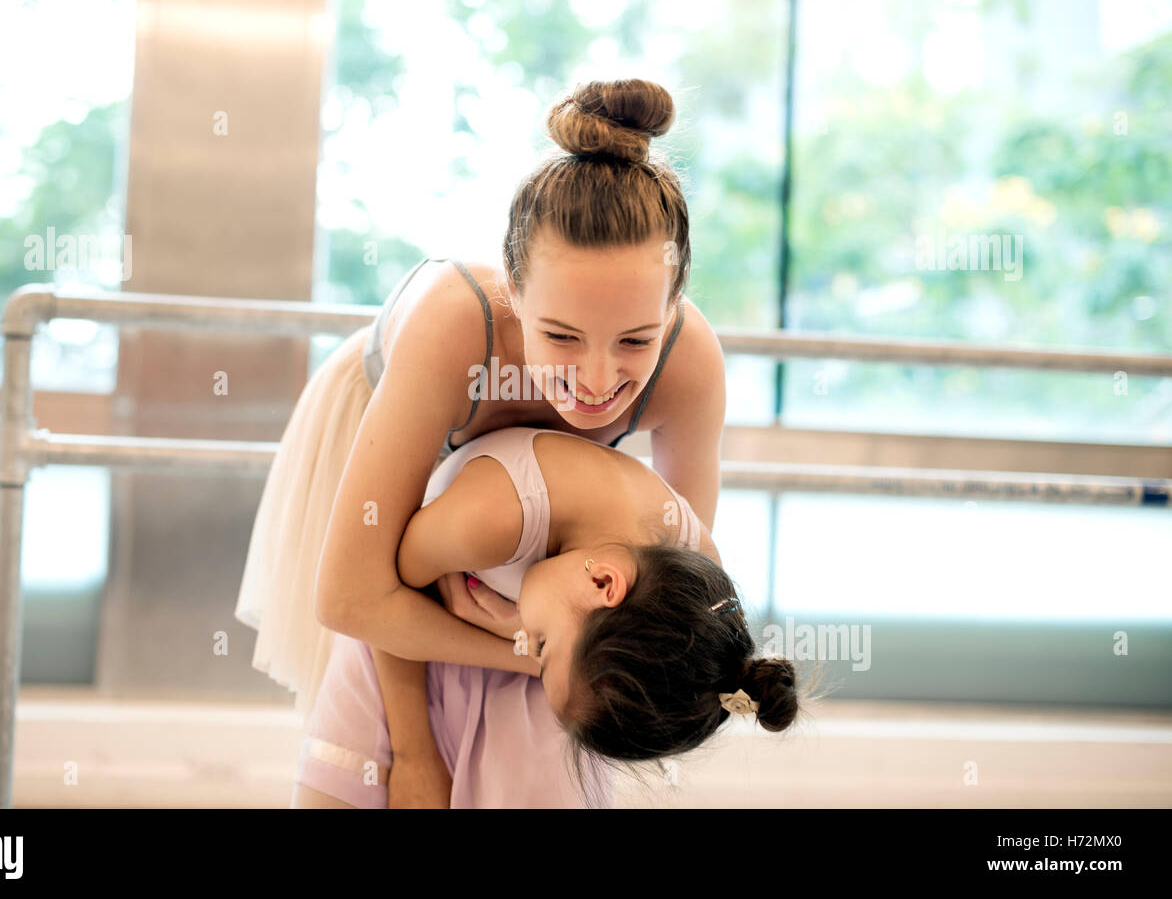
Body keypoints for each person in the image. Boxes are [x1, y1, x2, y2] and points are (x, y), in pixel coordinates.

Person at [234, 78, 728, 805]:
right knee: (389, 761)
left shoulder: (690, 369)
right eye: (559, 335)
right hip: (389, 420)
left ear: (674, 302)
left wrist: (556, 655)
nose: (594, 381)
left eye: (635, 339)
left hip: (521, 521)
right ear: (515, 293)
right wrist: (425, 743)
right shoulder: (456, 327)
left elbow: (655, 594)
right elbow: (358, 595)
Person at [291, 426, 804, 808]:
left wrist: (520, 640)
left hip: (538, 697)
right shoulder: (492, 517)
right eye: (540, 646)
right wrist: (417, 751)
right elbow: (386, 594)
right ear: (603, 582)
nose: (527, 646)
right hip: (408, 650)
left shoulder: (696, 579)